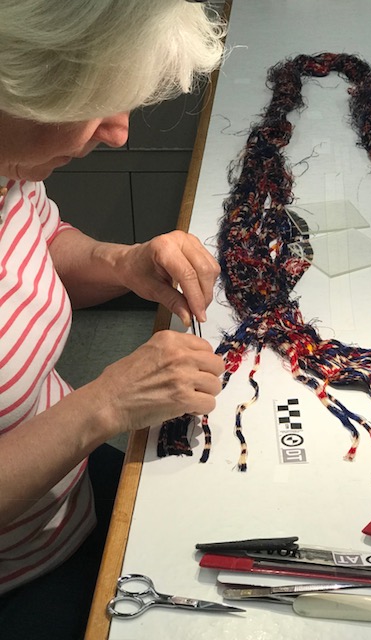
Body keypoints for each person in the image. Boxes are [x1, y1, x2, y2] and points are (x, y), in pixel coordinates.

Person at [0, 1, 226, 637]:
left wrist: (122, 263)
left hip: (71, 496)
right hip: (18, 578)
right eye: (96, 104)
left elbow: (37, 247)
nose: (119, 132)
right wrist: (107, 404)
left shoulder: (6, 169)